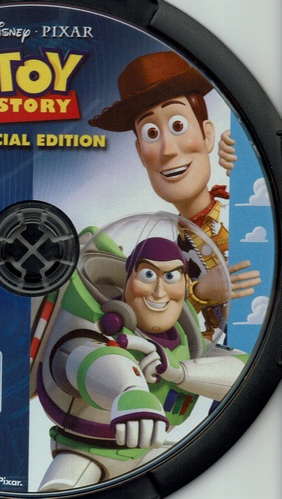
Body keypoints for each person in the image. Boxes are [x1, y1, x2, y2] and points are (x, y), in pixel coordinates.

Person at [36, 234, 248, 492]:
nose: (159, 291)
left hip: (148, 452)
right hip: (83, 455)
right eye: (148, 275)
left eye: (171, 277)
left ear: (184, 283)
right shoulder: (92, 321)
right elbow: (86, 358)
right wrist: (131, 391)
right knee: (61, 491)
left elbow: (247, 373)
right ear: (128, 279)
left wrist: (178, 372)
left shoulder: (185, 339)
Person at [89, 51, 260, 340]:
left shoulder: (243, 205)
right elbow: (151, 318)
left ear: (207, 135)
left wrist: (259, 176)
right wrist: (202, 292)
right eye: (151, 133)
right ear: (140, 153)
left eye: (178, 126)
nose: (167, 150)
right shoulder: (161, 247)